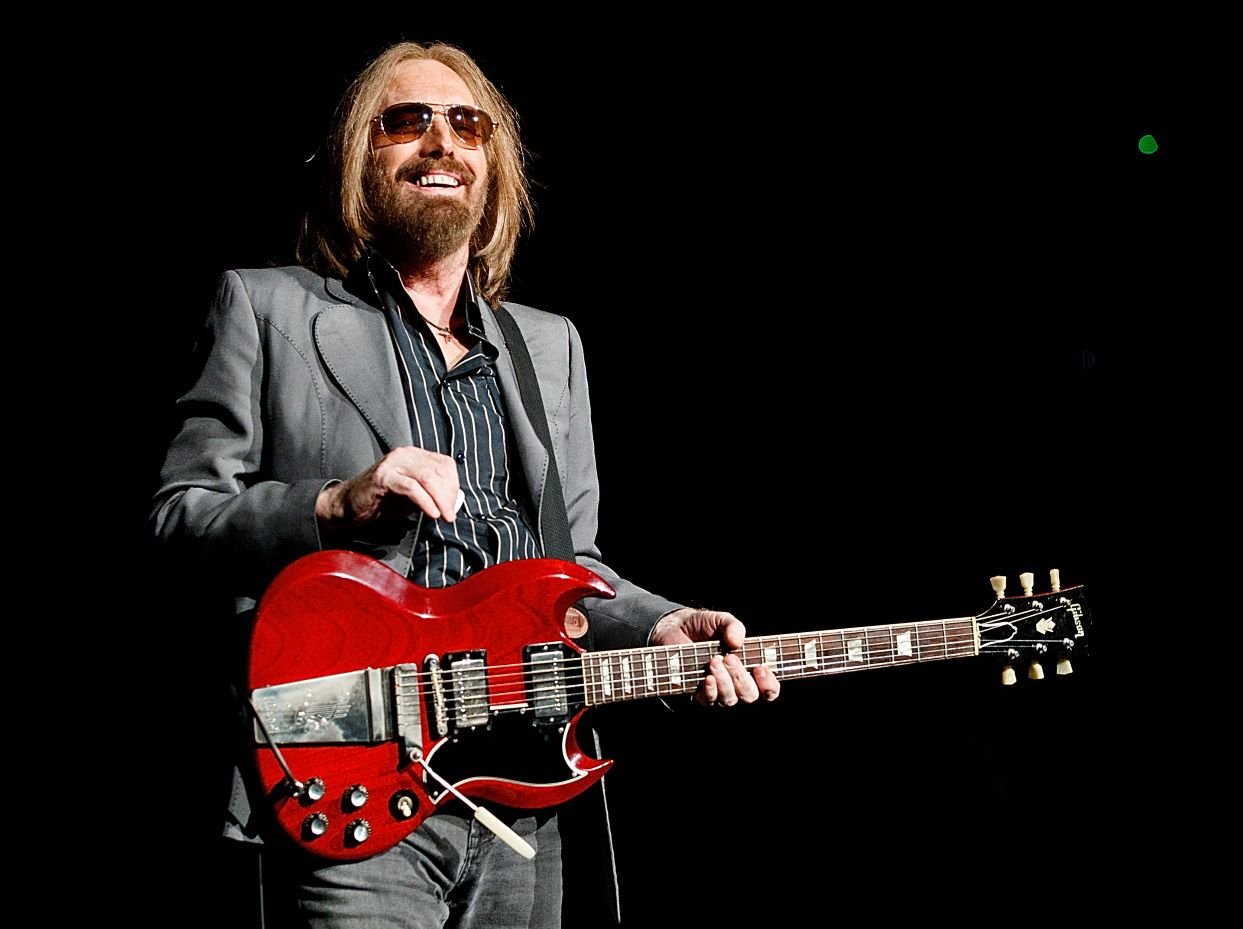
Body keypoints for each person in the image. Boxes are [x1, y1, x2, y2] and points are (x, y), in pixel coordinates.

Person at [149, 39, 781, 929]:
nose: (441, 142)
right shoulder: (267, 307)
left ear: (495, 169)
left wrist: (664, 622)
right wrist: (334, 502)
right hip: (357, 775)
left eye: (467, 125)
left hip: (523, 794)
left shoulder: (548, 347)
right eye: (406, 122)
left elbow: (575, 567)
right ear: (359, 159)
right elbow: (179, 519)